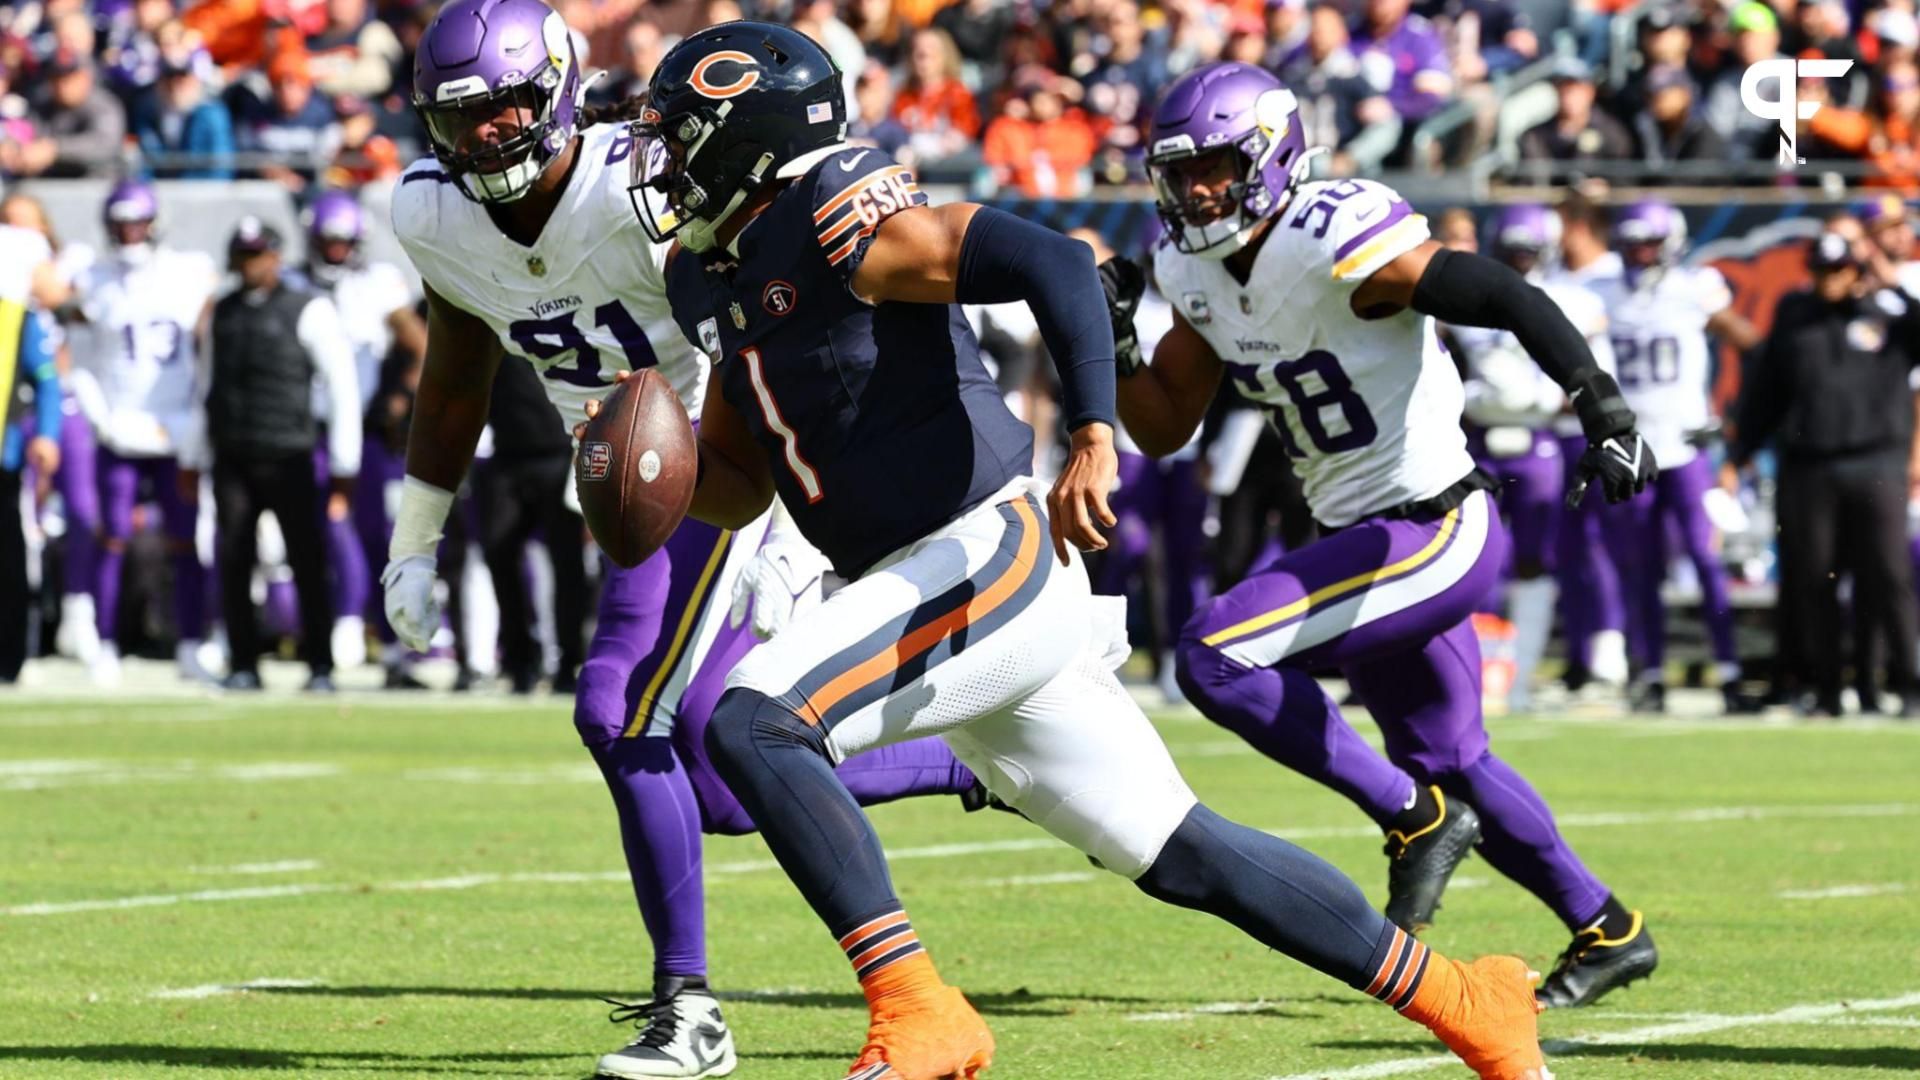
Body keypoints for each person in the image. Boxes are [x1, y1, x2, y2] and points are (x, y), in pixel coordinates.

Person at [630, 26, 1551, 1079]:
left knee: (754, 723)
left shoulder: (842, 221)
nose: (662, 160)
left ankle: (919, 1008)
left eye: (680, 136)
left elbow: (1054, 260)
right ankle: (1468, 1000)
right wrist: (647, 481)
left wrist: (1095, 432)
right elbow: (745, 475)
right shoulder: (705, 271)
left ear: (747, 139)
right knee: (1185, 852)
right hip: (916, 580)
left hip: (984, 549)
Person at [383, 3, 982, 1073]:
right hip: (627, 487)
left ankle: (689, 1012)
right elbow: (459, 362)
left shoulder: (643, 189)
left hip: (728, 465)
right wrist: (414, 534)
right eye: (464, 118)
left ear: (562, 87)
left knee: (617, 708)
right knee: (715, 775)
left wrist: (797, 525)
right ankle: (970, 759)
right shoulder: (432, 215)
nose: (490, 136)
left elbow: (787, 327)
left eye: (510, 106)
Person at [1117, 62, 1659, 1010]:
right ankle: (1607, 927)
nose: (1198, 189)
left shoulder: (1333, 231)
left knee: (1214, 656)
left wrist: (1601, 407)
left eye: (1215, 165)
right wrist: (1117, 338)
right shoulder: (1193, 269)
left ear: (1273, 155)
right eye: (1182, 172)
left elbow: (1499, 292)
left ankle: (1411, 821)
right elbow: (1164, 426)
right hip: (1358, 532)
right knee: (1451, 757)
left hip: (1432, 523)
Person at [1730, 231, 1920, 716]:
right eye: (1820, 271)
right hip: (1809, 465)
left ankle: (1907, 682)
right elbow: (1768, 391)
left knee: (1887, 574)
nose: (1828, 281)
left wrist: (1893, 287)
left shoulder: (1890, 315)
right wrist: (1740, 452)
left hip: (1876, 462)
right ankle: (1827, 686)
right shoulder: (1796, 315)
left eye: (1838, 271)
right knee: (1814, 580)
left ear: (1856, 271)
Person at [1587, 200, 1760, 712]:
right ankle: (1652, 673)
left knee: (1707, 560)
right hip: (1631, 450)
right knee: (1639, 566)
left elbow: (1749, 343)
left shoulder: (1695, 289)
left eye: (1649, 243)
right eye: (1632, 243)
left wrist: (1729, 414)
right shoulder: (1601, 293)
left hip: (1686, 448)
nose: (1639, 254)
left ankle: (1729, 671)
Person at [1450, 205, 1612, 712]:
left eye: (1527, 251)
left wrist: (1538, 401)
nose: (1519, 262)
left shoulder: (1574, 301)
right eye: (1512, 251)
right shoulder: (1460, 301)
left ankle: (1517, 679)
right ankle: (1473, 676)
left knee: (1534, 560)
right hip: (1478, 440)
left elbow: (1595, 378)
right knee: (1474, 559)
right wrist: (1468, 397)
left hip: (1538, 439)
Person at [196, 217, 359, 692]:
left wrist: (345, 465)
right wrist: (193, 453)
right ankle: (244, 662)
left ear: (277, 256)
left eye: (259, 254)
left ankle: (321, 665)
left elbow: (342, 387)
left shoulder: (308, 309)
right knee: (234, 557)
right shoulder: (221, 311)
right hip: (232, 455)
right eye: (244, 256)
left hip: (290, 453)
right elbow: (204, 384)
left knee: (308, 560)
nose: (251, 265)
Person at [64, 181, 218, 686]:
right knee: (112, 539)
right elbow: (68, 349)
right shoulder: (92, 277)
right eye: (120, 223)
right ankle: (105, 643)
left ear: (155, 224)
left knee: (186, 541)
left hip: (178, 427)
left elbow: (210, 342)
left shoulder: (189, 272)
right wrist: (97, 411)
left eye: (137, 222)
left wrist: (200, 412)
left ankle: (192, 642)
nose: (129, 233)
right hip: (120, 427)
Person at [303, 191, 425, 667]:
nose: (334, 249)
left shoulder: (378, 284)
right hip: (309, 427)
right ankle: (344, 622)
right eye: (327, 241)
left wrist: (397, 401)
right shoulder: (297, 283)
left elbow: (424, 347)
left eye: (341, 241)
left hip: (368, 430)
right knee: (326, 530)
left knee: (377, 535)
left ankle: (385, 638)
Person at [1546, 192, 1629, 693]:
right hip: (1556, 430)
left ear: (1577, 225)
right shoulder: (1555, 280)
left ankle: (1616, 649)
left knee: (1611, 545)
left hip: (1608, 427)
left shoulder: (1616, 279)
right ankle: (1580, 655)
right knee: (1569, 549)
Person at [1, 222, 61, 684]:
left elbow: (46, 380)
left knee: (8, 554)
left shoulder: (17, 316)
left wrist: (47, 435)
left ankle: (9, 656)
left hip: (5, 452)